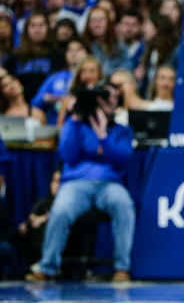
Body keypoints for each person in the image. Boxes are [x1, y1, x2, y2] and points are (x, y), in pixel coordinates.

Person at [26, 81, 134, 282]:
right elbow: (68, 154)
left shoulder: (122, 131)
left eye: (114, 97)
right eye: (105, 96)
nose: (110, 101)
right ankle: (47, 267)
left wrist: (103, 137)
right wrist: (75, 118)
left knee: (124, 205)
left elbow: (123, 158)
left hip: (109, 184)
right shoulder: (75, 125)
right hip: (75, 183)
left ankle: (122, 268)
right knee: (60, 210)